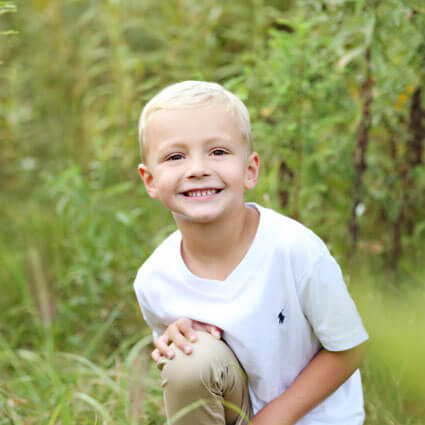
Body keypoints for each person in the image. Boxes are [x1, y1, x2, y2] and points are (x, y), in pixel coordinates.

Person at [133, 80, 368, 425]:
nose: (197, 169)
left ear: (250, 169)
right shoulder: (155, 279)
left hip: (310, 417)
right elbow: (182, 373)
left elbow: (349, 348)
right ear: (150, 180)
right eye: (175, 156)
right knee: (189, 358)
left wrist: (272, 419)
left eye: (218, 152)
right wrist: (178, 339)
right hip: (235, 411)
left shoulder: (295, 251)